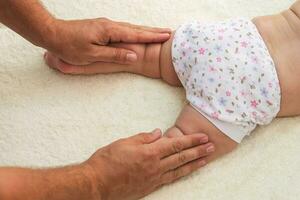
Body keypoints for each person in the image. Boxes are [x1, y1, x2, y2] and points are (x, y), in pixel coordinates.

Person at [0, 0, 214, 200]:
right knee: (184, 143)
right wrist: (96, 182)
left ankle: (117, 56)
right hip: (238, 38)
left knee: (182, 142)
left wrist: (52, 30)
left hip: (224, 47)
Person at [45, 0, 300, 164]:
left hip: (228, 39)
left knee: (147, 55)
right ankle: (139, 165)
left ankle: (76, 56)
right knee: (178, 151)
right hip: (250, 90)